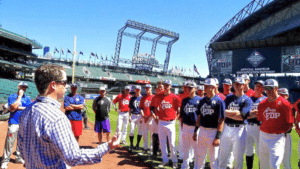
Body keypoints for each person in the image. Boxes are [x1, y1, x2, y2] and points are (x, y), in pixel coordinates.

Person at [18, 64, 120, 168]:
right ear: (53, 85)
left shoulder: (26, 111)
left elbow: (21, 148)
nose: (67, 86)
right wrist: (107, 147)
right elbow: (73, 157)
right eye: (64, 82)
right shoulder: (56, 118)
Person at [257, 79, 294, 169]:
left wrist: (280, 133)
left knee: (274, 165)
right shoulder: (262, 104)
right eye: (266, 89)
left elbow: (290, 123)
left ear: (276, 88)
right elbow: (260, 119)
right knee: (263, 165)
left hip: (277, 137)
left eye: (270, 88)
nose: (268, 91)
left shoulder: (285, 104)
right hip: (263, 136)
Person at [218, 77, 253, 169]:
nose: (236, 86)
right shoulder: (229, 98)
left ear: (243, 85)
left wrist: (228, 113)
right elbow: (222, 112)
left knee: (238, 158)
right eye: (235, 83)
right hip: (227, 127)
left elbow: (242, 116)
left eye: (239, 84)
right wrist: (235, 114)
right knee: (222, 156)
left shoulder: (247, 100)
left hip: (239, 129)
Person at [193, 78, 225, 169]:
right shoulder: (202, 101)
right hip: (202, 130)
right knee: (200, 156)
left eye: (207, 86)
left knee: (213, 159)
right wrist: (195, 131)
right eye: (204, 86)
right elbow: (199, 117)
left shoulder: (219, 101)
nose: (204, 88)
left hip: (213, 131)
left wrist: (217, 137)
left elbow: (221, 120)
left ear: (213, 87)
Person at [1, 82, 31, 169]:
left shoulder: (28, 99)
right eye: (22, 87)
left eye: (25, 87)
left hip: (23, 123)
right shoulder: (12, 96)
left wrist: (18, 107)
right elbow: (13, 107)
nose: (23, 88)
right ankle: (5, 161)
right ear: (18, 87)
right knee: (9, 142)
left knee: (21, 142)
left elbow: (28, 109)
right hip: (14, 122)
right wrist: (20, 97)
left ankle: (18, 158)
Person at [153, 79, 181, 168]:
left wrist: (175, 118)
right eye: (165, 85)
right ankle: (165, 160)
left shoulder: (175, 97)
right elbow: (154, 107)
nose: (166, 87)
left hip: (171, 122)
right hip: (161, 122)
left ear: (170, 86)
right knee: (162, 143)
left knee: (172, 143)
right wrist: (157, 115)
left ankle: (174, 161)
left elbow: (179, 110)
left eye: (167, 85)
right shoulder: (159, 96)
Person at [179, 81, 202, 169]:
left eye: (191, 87)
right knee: (185, 148)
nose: (189, 89)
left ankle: (197, 166)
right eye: (187, 87)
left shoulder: (200, 100)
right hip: (185, 126)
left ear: (195, 89)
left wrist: (197, 129)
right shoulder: (184, 100)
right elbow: (182, 114)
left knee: (196, 149)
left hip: (195, 127)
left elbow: (200, 115)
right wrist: (182, 125)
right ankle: (185, 165)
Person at [245, 80, 266, 169]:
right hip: (248, 126)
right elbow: (244, 113)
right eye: (257, 86)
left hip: (259, 127)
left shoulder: (265, 99)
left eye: (260, 86)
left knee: (260, 151)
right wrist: (255, 113)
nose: (258, 88)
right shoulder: (248, 99)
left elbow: (263, 114)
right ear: (254, 87)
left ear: (263, 89)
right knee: (248, 150)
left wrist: (251, 113)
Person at [278, 88, 293, 169]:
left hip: (285, 135)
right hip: (273, 136)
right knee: (274, 161)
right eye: (279, 94)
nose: (280, 97)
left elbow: (290, 124)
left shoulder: (290, 107)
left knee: (286, 162)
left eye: (282, 95)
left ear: (287, 96)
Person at [150, 81, 164, 159]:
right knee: (155, 135)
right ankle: (155, 152)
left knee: (164, 137)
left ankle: (164, 154)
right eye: (158, 87)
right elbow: (151, 108)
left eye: (161, 87)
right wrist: (154, 116)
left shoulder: (166, 96)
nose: (159, 89)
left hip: (164, 120)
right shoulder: (154, 97)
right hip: (155, 119)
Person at [139, 84, 154, 155]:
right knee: (144, 134)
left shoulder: (153, 97)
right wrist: (143, 116)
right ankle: (145, 149)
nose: (147, 90)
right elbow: (141, 108)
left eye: (148, 88)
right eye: (146, 88)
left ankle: (151, 150)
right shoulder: (143, 98)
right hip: (145, 117)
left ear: (151, 89)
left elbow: (154, 109)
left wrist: (148, 117)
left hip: (151, 118)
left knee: (151, 135)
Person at [177, 81, 190, 162]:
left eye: (187, 87)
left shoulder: (193, 96)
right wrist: (179, 117)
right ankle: (181, 156)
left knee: (192, 140)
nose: (185, 88)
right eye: (184, 86)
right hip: (182, 120)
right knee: (181, 139)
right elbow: (178, 109)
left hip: (191, 121)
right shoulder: (180, 96)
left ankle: (190, 158)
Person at [128, 85, 143, 152]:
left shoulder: (142, 98)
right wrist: (129, 116)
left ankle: (137, 144)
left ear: (140, 90)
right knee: (131, 131)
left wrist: (143, 117)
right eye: (136, 89)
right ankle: (131, 145)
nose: (137, 90)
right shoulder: (132, 98)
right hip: (133, 115)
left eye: (138, 89)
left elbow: (144, 108)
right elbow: (130, 108)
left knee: (140, 131)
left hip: (140, 116)